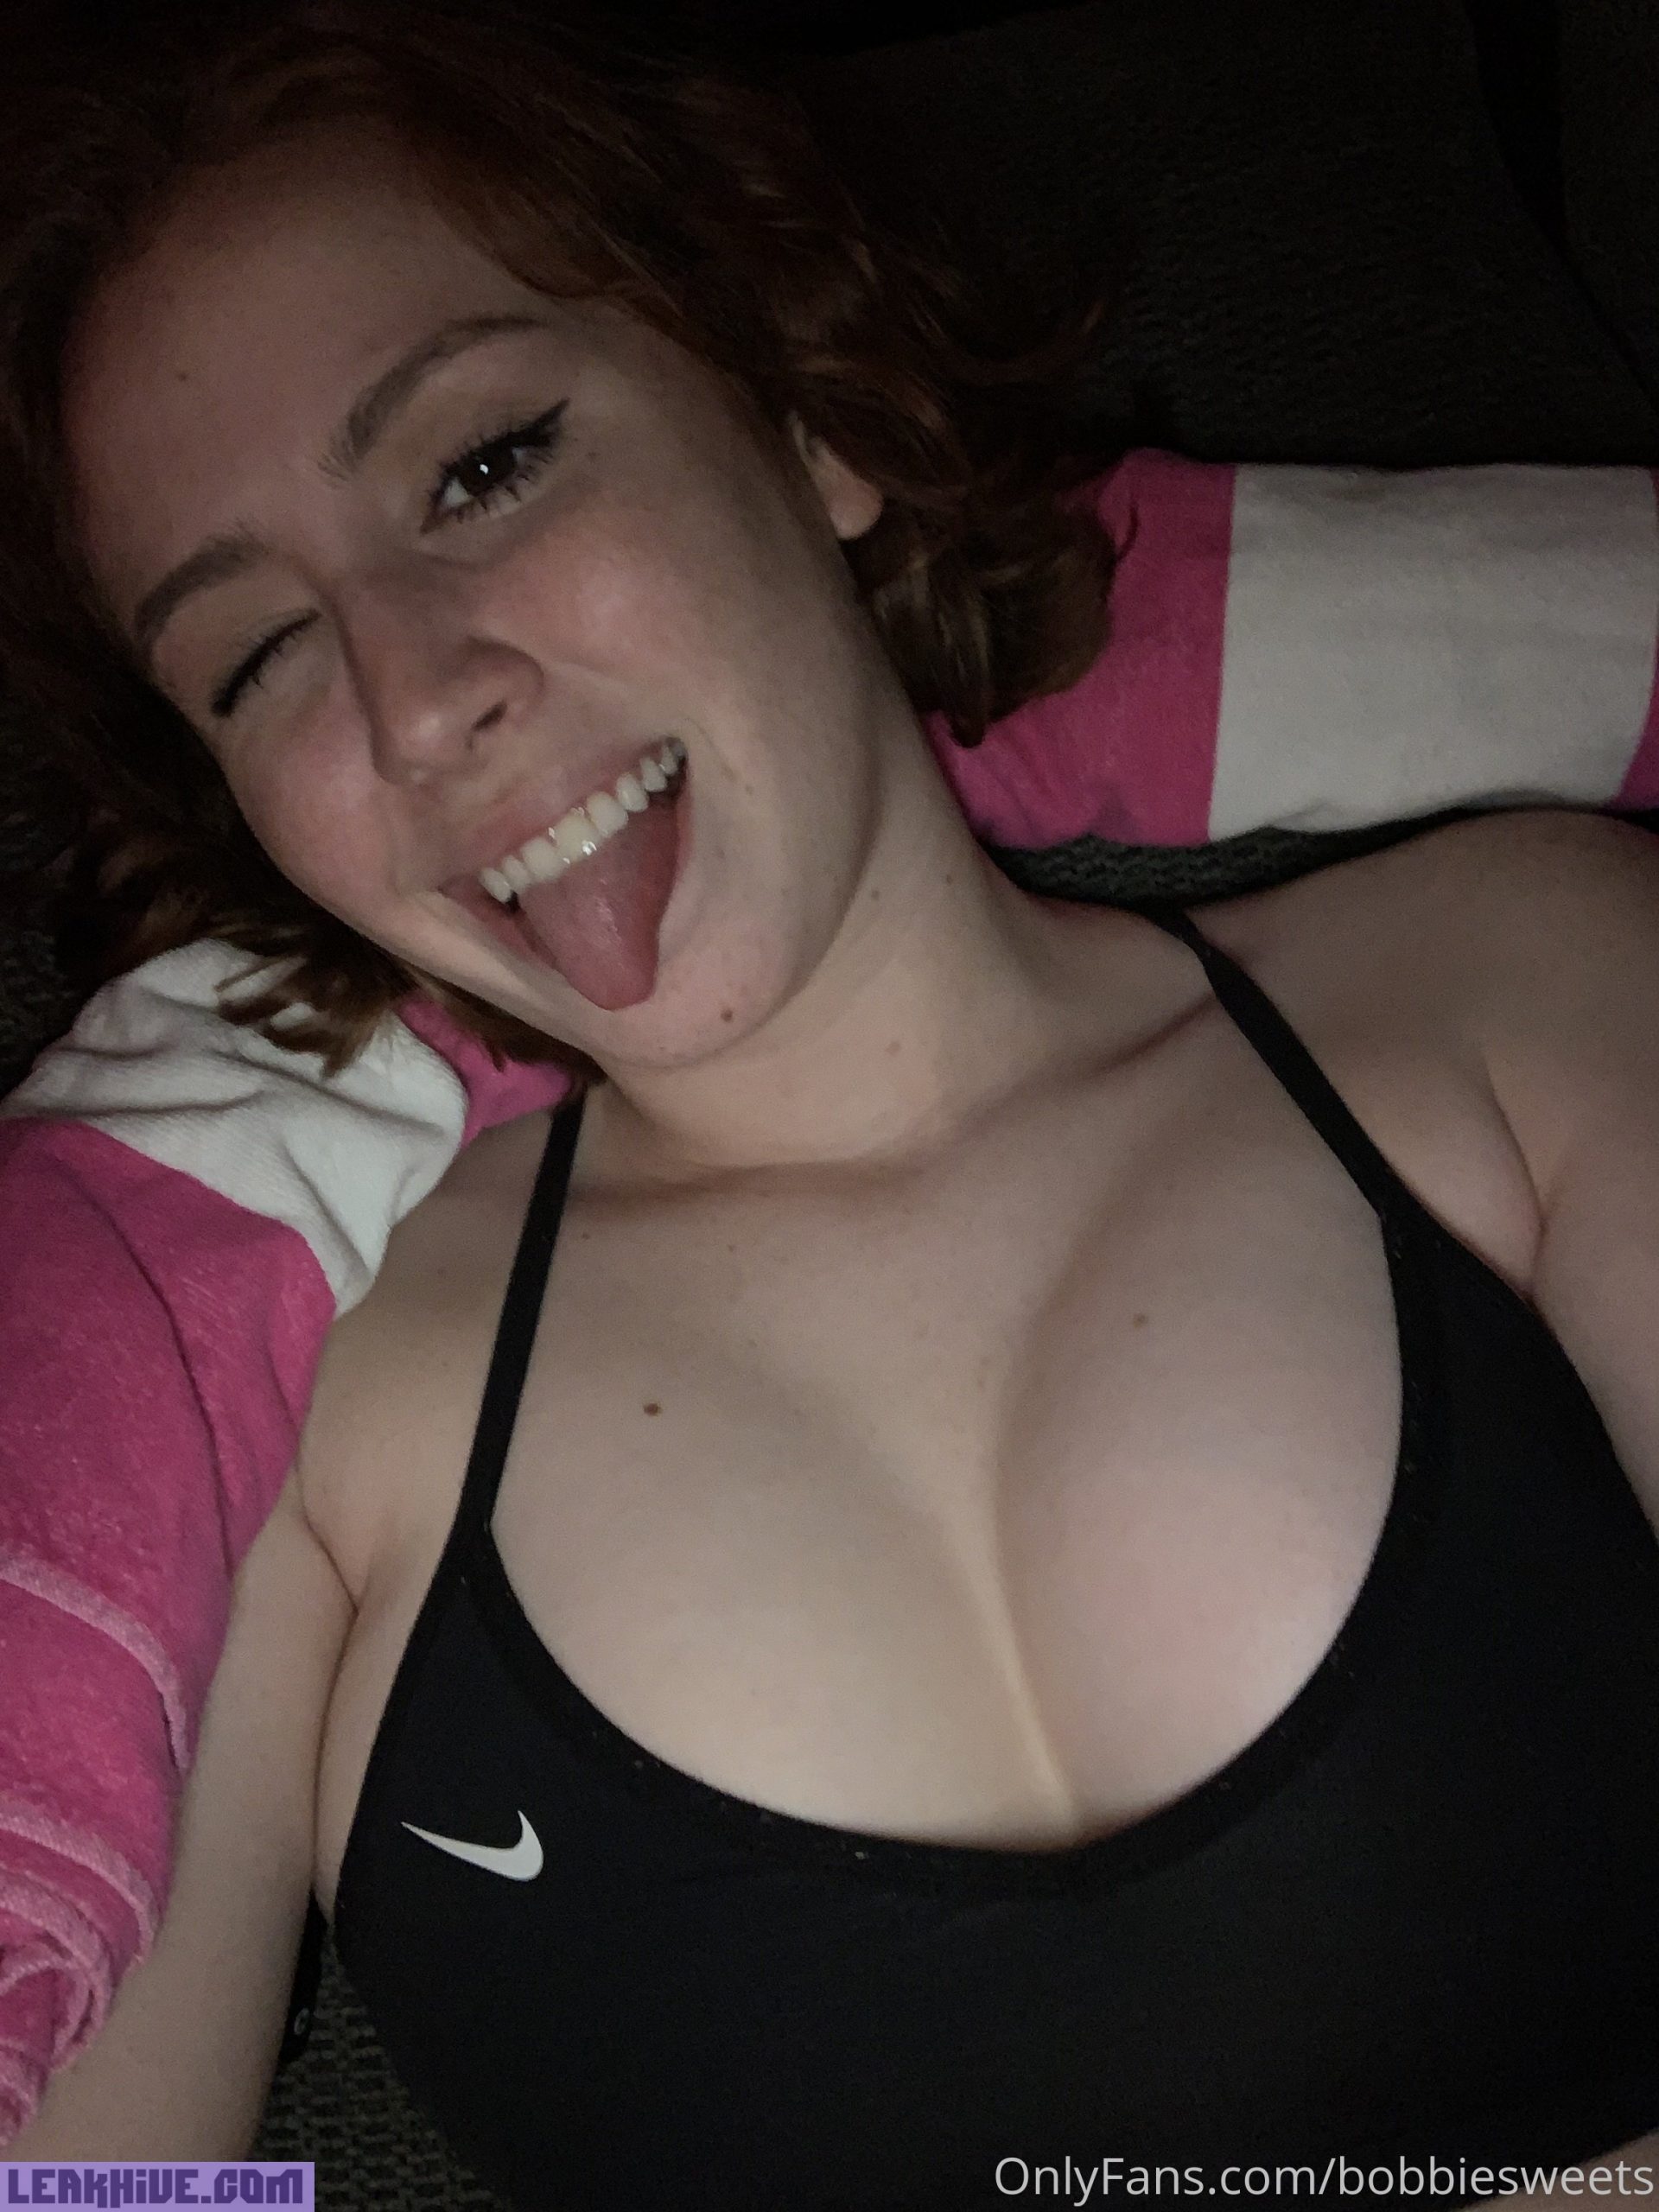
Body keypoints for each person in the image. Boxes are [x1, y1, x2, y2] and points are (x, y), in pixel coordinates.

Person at [4, 0, 1659, 2201]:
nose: (415, 701)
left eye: (486, 466)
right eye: (257, 653)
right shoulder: (282, 1428)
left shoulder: (1529, 987)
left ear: (803, 418)